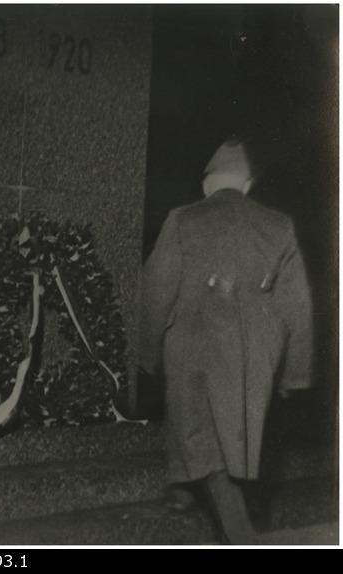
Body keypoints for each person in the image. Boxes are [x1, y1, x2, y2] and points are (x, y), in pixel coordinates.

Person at [139, 138, 313, 544]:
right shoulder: (279, 226)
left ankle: (241, 536)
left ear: (207, 184)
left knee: (206, 443)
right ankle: (182, 489)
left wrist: (147, 354)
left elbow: (156, 292)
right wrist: (295, 373)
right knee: (226, 439)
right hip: (256, 358)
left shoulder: (183, 220)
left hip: (196, 348)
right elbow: (297, 305)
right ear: (248, 185)